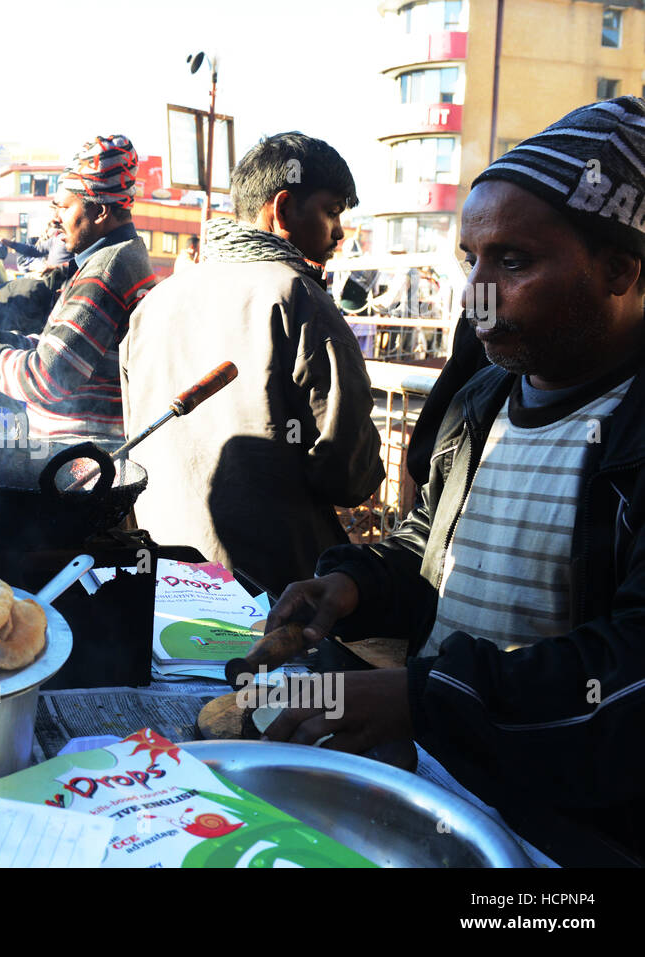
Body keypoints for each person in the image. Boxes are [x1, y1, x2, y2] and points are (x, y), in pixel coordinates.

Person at [261, 98, 645, 866]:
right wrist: (353, 585)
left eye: (512, 262)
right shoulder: (482, 402)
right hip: (442, 778)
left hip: (570, 833)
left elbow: (627, 670)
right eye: (470, 258)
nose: (475, 294)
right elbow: (429, 544)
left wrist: (422, 695)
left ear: (619, 269)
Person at [120, 133, 384, 594]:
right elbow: (347, 473)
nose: (340, 232)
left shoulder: (155, 302)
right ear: (282, 210)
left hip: (166, 570)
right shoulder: (299, 298)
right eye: (332, 211)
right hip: (271, 589)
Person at [0, 135, 156, 450]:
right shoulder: (117, 257)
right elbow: (65, 353)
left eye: (63, 207)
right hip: (79, 456)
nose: (55, 219)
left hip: (80, 463)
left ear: (99, 212)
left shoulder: (105, 271)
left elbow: (47, 377)